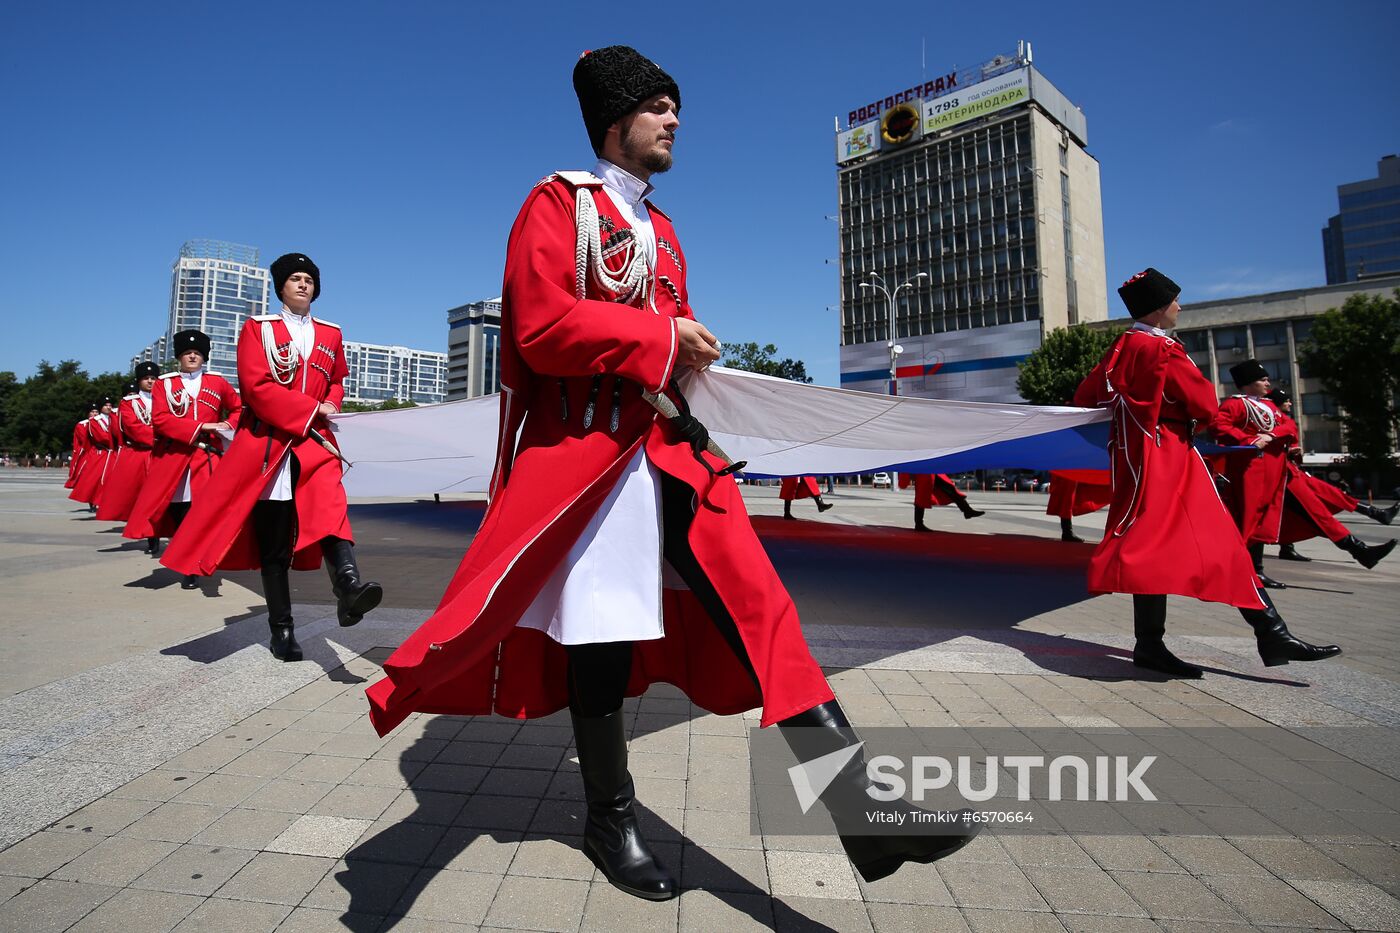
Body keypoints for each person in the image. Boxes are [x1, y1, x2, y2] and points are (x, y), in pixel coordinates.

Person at [366, 46, 975, 901]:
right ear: (614, 121)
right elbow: (538, 325)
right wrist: (662, 339)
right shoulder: (556, 204)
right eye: (657, 104)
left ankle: (862, 812)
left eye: (673, 104)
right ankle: (609, 815)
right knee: (602, 636)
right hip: (589, 456)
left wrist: (686, 344)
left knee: (763, 606)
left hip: (670, 446)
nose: (675, 117)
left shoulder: (663, 228)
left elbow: (662, 331)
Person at [1073, 269, 1339, 679]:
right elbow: (1204, 405)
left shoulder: (1121, 347)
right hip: (1171, 456)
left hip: (1135, 457)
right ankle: (1269, 631)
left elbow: (1087, 396)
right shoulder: (1164, 349)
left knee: (1149, 547)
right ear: (1160, 309)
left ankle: (1154, 644)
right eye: (1176, 301)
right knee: (1217, 539)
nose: (1180, 307)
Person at [161, 254, 382, 661]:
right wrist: (310, 411)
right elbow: (255, 387)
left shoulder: (332, 333)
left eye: (309, 280)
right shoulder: (258, 329)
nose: (303, 285)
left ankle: (349, 587)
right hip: (267, 446)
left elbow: (335, 381)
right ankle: (282, 629)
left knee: (331, 509)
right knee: (275, 545)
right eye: (294, 279)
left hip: (313, 442)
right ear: (281, 286)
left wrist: (330, 404)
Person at [123, 331, 240, 580]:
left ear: (204, 357)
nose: (192, 356)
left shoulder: (218, 383)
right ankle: (180, 552)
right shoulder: (166, 384)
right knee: (173, 510)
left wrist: (227, 426)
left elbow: (238, 408)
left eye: (197, 353)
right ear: (179, 357)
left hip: (208, 457)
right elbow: (161, 420)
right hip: (173, 456)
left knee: (202, 510)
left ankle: (191, 565)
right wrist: (201, 427)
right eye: (188, 353)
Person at [1262, 388, 1398, 566]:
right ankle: (1363, 543)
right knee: (1316, 513)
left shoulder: (1281, 419)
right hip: (1280, 473)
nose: (1289, 402)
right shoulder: (1267, 417)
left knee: (1319, 507)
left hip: (1288, 472)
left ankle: (1368, 530)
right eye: (1285, 400)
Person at [1211, 360, 1295, 588]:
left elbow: (1290, 426)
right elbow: (1219, 425)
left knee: (1263, 517)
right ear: (1248, 384)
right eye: (1263, 379)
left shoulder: (1271, 406)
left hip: (1273, 468)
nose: (1268, 383)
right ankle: (1245, 570)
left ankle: (1256, 570)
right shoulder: (1234, 405)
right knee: (1248, 516)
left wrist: (1271, 436)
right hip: (1251, 468)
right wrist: (1248, 441)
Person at [98, 365, 160, 533]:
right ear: (139, 381)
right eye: (146, 378)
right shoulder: (128, 402)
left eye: (153, 378)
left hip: (161, 453)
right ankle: (143, 529)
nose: (150, 381)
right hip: (139, 452)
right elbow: (133, 428)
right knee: (136, 494)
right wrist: (159, 439)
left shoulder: (164, 400)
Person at [69, 397, 115, 512]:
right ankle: (94, 501)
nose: (108, 407)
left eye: (110, 405)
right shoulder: (93, 422)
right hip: (101, 452)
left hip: (112, 453)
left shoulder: (114, 418)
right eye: (106, 405)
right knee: (94, 479)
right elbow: (101, 437)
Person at [1044, 469, 1111, 542]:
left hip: (1069, 467)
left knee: (1067, 497)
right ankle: (1067, 532)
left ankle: (1067, 532)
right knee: (1067, 497)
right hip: (1067, 468)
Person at [911, 473, 984, 530]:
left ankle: (967, 511)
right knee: (922, 495)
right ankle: (967, 511)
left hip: (929, 469)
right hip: (925, 470)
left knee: (922, 495)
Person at [64, 403, 97, 492]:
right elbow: (85, 439)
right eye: (92, 412)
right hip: (87, 452)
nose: (95, 414)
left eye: (96, 412)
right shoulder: (82, 424)